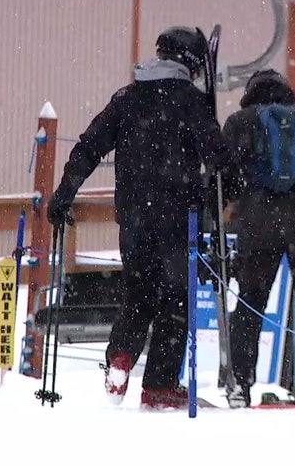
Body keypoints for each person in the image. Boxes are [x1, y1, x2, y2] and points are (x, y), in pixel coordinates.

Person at [47, 27, 230, 410]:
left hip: (133, 216)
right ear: (191, 63)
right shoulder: (191, 102)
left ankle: (120, 357)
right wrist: (219, 192)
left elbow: (89, 146)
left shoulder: (126, 98)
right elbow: (218, 158)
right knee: (176, 298)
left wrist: (64, 193)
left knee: (139, 291)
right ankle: (160, 385)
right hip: (178, 217)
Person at [221, 69, 295, 408]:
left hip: (258, 222)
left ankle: (240, 384)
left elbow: (226, 175)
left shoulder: (240, 122)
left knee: (251, 304)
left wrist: (231, 206)